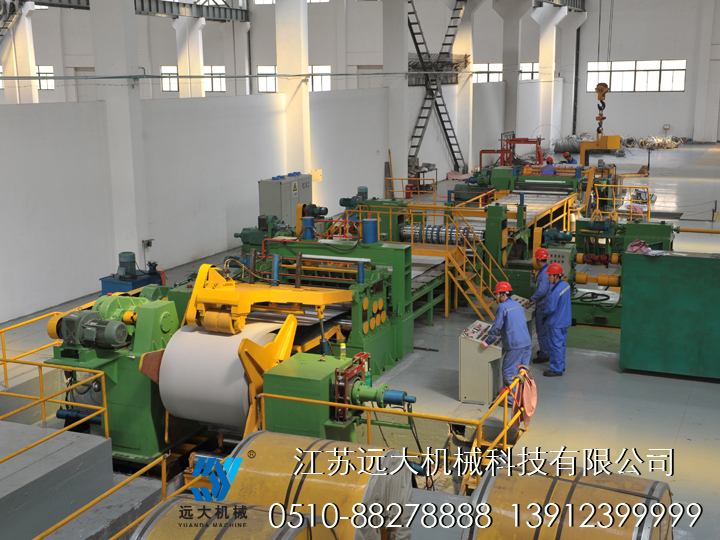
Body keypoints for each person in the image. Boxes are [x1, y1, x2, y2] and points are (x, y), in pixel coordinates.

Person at [480, 282, 533, 400]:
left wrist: (488, 341)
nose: (495, 297)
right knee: (522, 371)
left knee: (509, 372)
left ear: (503, 294)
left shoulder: (503, 307)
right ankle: (521, 397)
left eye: (497, 294)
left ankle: (510, 400)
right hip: (526, 342)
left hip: (515, 344)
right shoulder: (517, 304)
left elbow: (497, 326)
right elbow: (515, 322)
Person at [542, 263, 572, 377]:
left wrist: (543, 313)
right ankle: (561, 365)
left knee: (555, 346)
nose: (548, 277)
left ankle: (556, 369)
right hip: (564, 321)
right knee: (561, 344)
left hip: (556, 323)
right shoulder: (565, 285)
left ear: (556, 276)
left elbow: (551, 308)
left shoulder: (555, 292)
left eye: (550, 275)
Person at [529, 248, 551, 365]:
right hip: (546, 304)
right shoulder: (548, 269)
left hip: (543, 306)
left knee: (541, 331)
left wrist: (532, 299)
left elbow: (542, 291)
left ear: (538, 259)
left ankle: (544, 355)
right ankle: (545, 350)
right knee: (545, 330)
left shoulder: (543, 274)